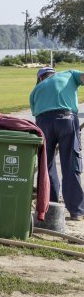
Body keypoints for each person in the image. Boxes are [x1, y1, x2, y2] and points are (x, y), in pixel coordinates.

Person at [29, 66, 84, 221]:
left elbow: (38, 114)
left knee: (46, 166)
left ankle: (51, 208)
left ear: (40, 78)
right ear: (54, 73)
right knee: (70, 164)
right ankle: (76, 211)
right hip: (66, 119)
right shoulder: (68, 74)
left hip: (43, 123)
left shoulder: (35, 90)